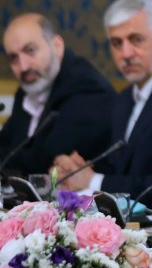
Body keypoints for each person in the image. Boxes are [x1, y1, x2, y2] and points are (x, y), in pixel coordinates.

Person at [55, 0, 152, 209]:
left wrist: (94, 181)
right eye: (116, 43)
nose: (125, 53)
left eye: (136, 40)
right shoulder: (125, 98)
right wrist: (80, 171)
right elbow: (123, 169)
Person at [0, 14, 115, 175]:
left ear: (57, 46)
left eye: (30, 50)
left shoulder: (88, 89)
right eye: (13, 58)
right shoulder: (29, 87)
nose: (23, 67)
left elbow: (44, 163)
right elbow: (7, 145)